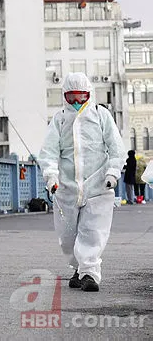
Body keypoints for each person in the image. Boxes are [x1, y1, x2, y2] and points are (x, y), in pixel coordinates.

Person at [37, 73, 124, 293]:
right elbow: (48, 152)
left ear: (89, 94)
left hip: (98, 186)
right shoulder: (59, 120)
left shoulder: (101, 115)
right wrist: (51, 176)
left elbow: (116, 148)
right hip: (66, 188)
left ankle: (89, 274)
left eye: (81, 97)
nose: (77, 102)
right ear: (64, 96)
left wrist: (112, 173)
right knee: (67, 237)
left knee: (93, 231)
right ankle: (78, 268)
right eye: (72, 97)